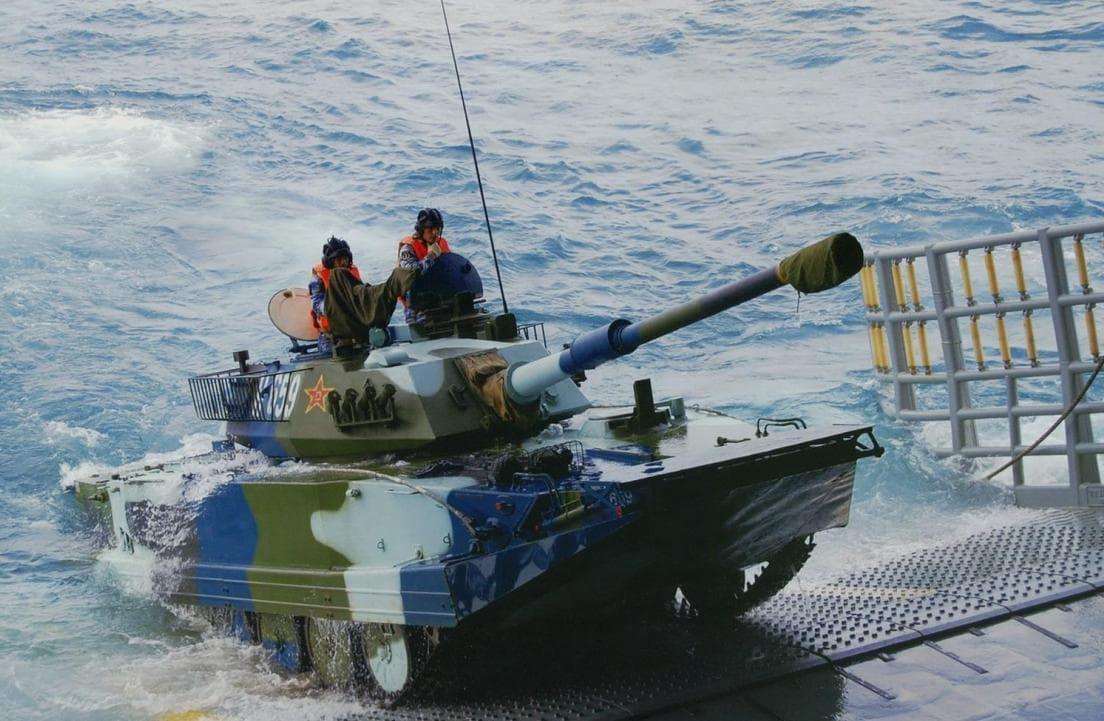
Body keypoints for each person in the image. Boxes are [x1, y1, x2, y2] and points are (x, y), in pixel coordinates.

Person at [309, 236, 416, 353]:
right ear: (331, 261)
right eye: (338, 259)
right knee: (335, 353)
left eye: (345, 258)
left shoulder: (351, 272)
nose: (343, 262)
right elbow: (317, 305)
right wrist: (340, 304)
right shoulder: (318, 277)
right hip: (331, 334)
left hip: (355, 329)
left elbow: (360, 295)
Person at [397, 208, 451, 322]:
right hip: (417, 305)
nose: (435, 232)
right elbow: (411, 274)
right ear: (421, 229)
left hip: (440, 299)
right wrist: (430, 257)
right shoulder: (408, 248)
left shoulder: (441, 243)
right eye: (430, 228)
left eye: (438, 228)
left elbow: (452, 269)